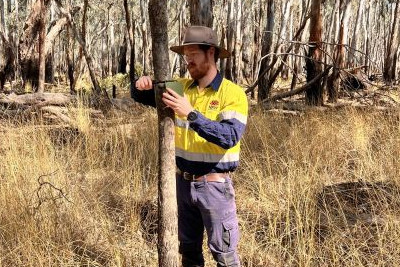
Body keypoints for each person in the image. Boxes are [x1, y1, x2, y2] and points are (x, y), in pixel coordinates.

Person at [135, 26, 248, 267]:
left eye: (194, 53)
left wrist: (191, 114)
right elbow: (144, 95)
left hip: (215, 187)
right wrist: (141, 85)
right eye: (185, 55)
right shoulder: (181, 87)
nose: (188, 60)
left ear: (211, 54)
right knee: (189, 252)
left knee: (225, 256)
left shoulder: (232, 93)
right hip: (182, 185)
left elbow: (229, 136)